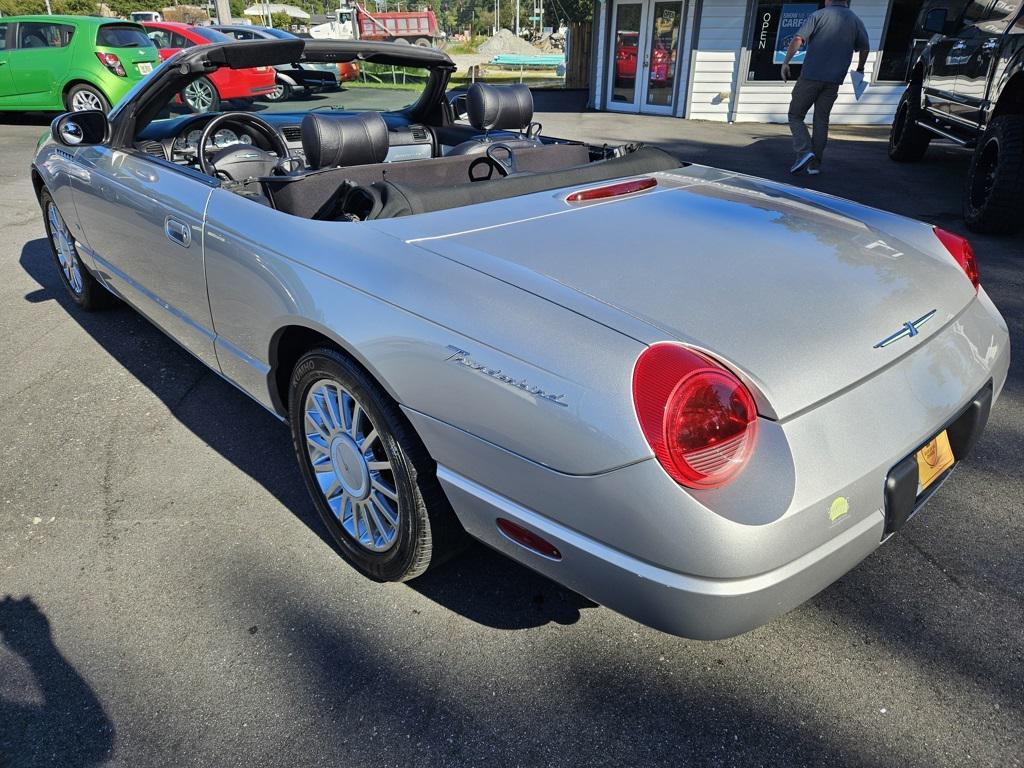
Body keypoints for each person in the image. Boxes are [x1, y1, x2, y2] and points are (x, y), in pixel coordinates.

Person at [781, 0, 869, 175]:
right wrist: (860, 68)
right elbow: (865, 47)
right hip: (834, 80)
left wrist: (786, 62)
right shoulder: (855, 20)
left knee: (795, 115)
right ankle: (814, 165)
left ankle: (805, 152)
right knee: (821, 120)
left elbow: (799, 38)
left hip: (811, 76)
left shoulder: (818, 15)